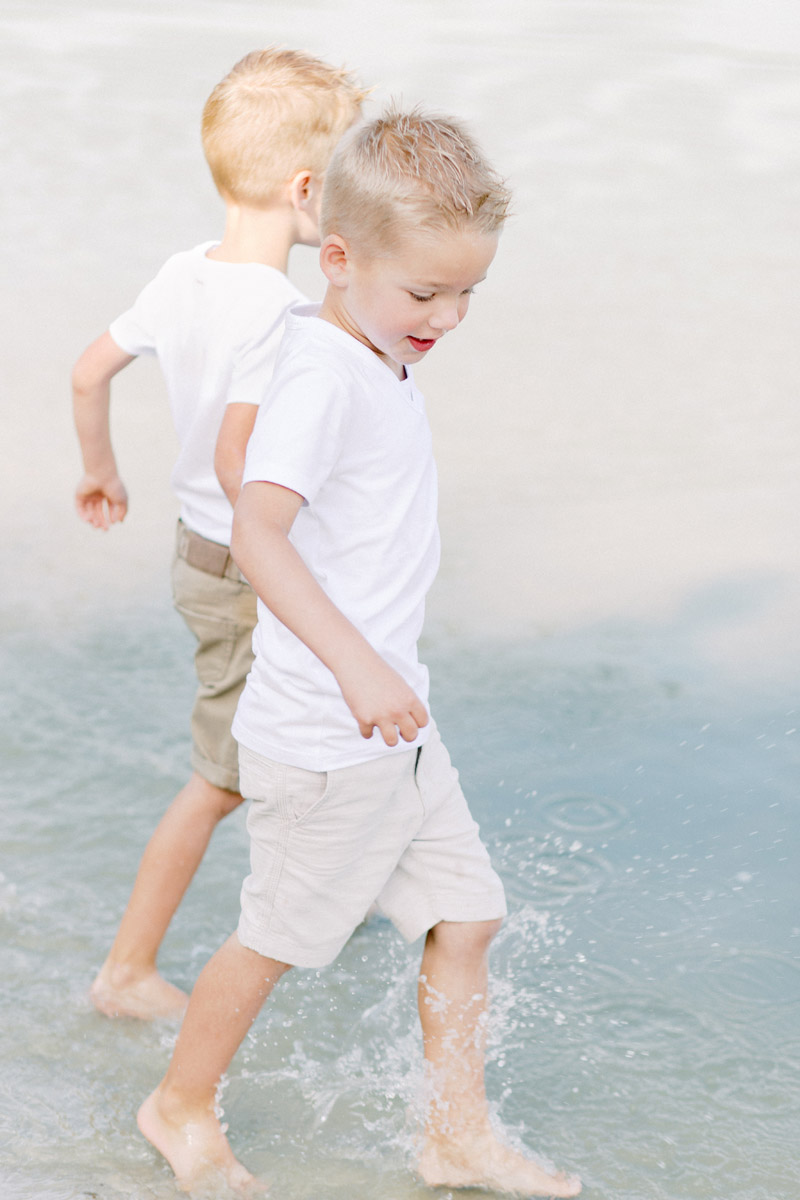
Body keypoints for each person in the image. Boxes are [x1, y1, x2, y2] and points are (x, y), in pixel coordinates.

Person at [137, 107, 582, 1197]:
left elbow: (245, 455)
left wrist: (382, 673)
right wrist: (355, 664)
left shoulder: (348, 342)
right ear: (335, 259)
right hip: (328, 732)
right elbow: (258, 529)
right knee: (275, 939)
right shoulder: (326, 372)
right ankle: (177, 1104)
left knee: (466, 917)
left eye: (466, 291)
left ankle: (453, 1135)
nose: (447, 316)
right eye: (424, 293)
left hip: (397, 725)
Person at [71, 47, 366, 1020]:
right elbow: (245, 463)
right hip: (242, 566)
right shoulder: (280, 312)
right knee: (218, 780)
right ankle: (128, 970)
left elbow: (86, 372)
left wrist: (100, 471)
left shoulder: (182, 272)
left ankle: (339, 886)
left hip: (193, 554)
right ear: (305, 188)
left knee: (272, 742)